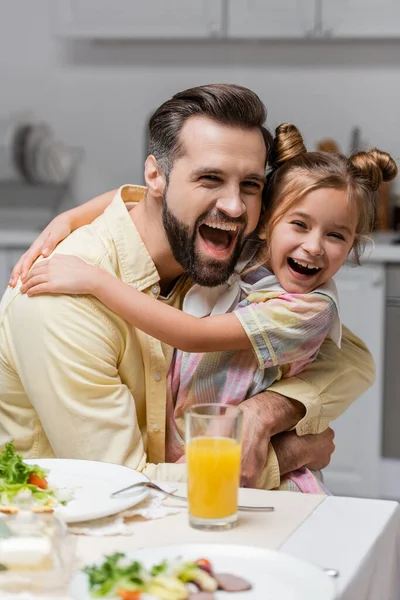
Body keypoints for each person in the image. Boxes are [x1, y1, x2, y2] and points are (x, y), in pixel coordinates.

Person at [0, 84, 374, 490]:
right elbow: (122, 486)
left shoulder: (211, 258)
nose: (234, 206)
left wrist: (266, 410)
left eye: (250, 185)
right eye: (210, 178)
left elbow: (350, 359)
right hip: (72, 535)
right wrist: (292, 453)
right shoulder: (63, 300)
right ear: (155, 176)